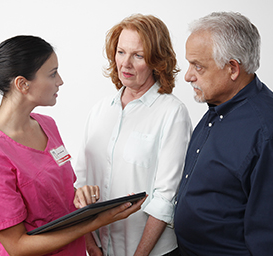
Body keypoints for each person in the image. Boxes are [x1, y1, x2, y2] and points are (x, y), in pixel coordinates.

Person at [0, 35, 146, 256]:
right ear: (22, 84)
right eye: (52, 73)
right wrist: (96, 221)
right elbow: (17, 246)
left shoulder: (47, 125)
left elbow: (58, 194)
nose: (60, 81)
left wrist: (80, 196)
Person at [74, 14, 192, 256]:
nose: (125, 64)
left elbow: (165, 197)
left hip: (151, 252)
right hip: (100, 250)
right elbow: (79, 184)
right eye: (121, 52)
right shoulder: (99, 111)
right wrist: (89, 244)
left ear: (157, 61)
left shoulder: (172, 113)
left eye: (138, 55)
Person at [174, 11, 273, 256]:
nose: (188, 76)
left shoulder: (265, 132)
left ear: (232, 68)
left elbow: (267, 236)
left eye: (198, 66)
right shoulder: (218, 104)